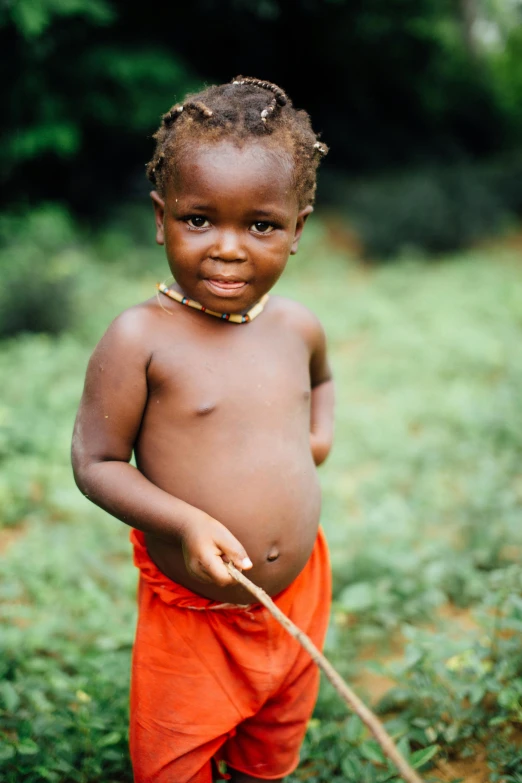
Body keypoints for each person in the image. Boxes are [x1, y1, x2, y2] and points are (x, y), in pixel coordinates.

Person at [71, 76, 334, 783]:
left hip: (301, 594)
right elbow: (96, 461)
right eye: (198, 219)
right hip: (196, 619)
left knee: (271, 744)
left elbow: (324, 379)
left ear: (297, 228)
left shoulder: (295, 325)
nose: (227, 248)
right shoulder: (140, 339)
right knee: (175, 756)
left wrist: (317, 437)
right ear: (160, 218)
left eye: (260, 224)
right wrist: (185, 521)